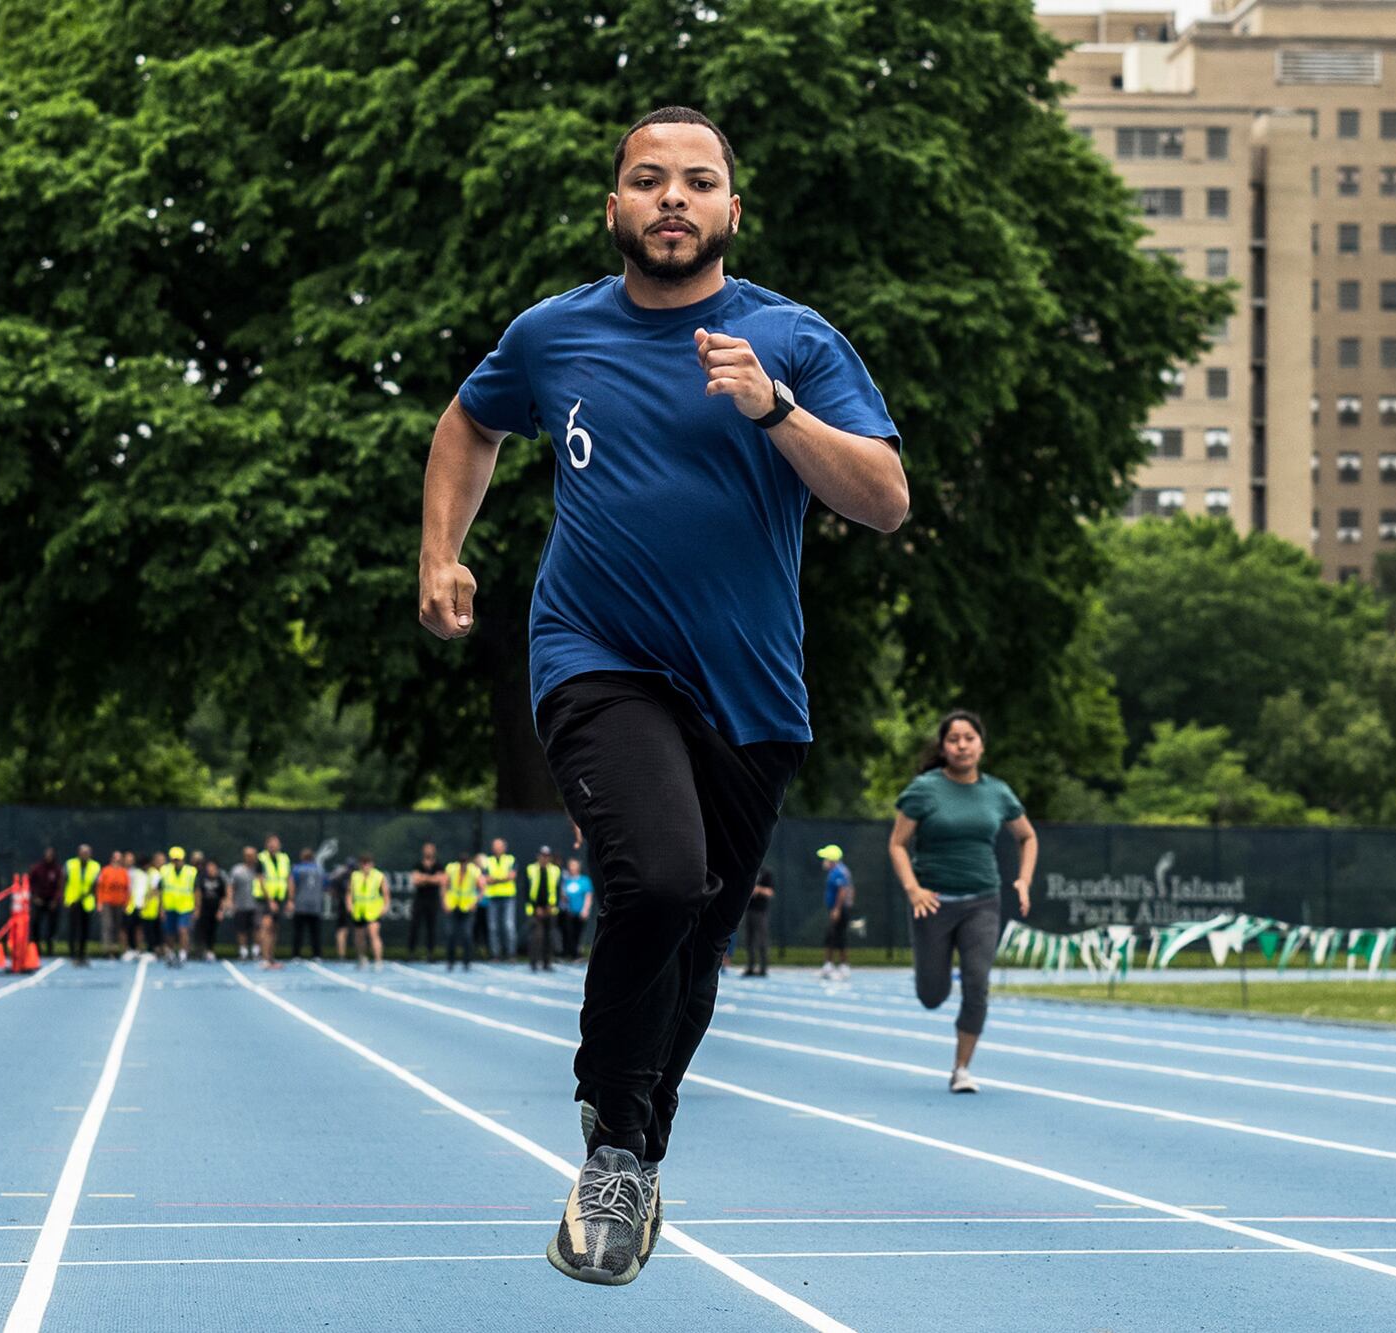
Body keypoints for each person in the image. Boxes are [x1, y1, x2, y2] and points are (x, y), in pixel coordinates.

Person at [420, 106, 903, 1286]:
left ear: (733, 211)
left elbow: (885, 498)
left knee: (695, 942)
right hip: (594, 654)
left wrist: (774, 412)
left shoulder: (790, 340)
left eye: (697, 182)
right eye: (649, 181)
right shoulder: (553, 334)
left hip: (750, 692)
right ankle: (614, 1140)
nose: (672, 199)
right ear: (615, 208)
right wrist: (440, 553)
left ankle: (632, 1149)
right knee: (660, 875)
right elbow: (469, 421)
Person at [889, 710, 1039, 1094]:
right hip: (933, 903)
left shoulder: (997, 792)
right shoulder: (924, 789)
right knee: (932, 994)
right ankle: (933, 975)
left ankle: (961, 1069)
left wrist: (1023, 880)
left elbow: (1027, 837)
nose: (961, 745)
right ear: (944, 747)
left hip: (982, 901)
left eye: (969, 737)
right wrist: (914, 889)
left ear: (981, 745)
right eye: (954, 739)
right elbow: (898, 845)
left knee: (977, 983)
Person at [442, 850, 482, 971]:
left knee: (467, 935)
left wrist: (475, 902)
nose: (463, 865)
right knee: (451, 934)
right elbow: (444, 884)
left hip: (467, 907)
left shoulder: (474, 871)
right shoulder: (451, 868)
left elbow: (482, 887)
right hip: (453, 906)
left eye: (465, 863)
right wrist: (444, 901)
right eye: (461, 863)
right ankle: (450, 961)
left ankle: (467, 962)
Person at [818, 845, 854, 980]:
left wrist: (837, 909)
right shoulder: (837, 871)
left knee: (839, 937)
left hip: (839, 909)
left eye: (826, 858)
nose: (824, 862)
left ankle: (844, 967)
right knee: (831, 936)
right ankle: (828, 965)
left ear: (832, 859)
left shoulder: (839, 872)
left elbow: (843, 890)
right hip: (837, 908)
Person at [481, 836, 519, 961]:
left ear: (504, 847)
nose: (496, 848)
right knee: (493, 927)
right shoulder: (488, 861)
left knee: (508, 925)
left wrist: (495, 879)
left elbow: (511, 876)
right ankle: (495, 954)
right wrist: (502, 878)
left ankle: (511, 954)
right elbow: (485, 878)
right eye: (494, 846)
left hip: (508, 897)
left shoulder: (510, 859)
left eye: (499, 846)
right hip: (492, 897)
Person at [525, 845, 562, 972]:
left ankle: (547, 963)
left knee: (549, 936)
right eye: (542, 856)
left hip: (550, 909)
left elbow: (557, 890)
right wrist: (536, 908)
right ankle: (534, 963)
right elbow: (526, 890)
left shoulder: (555, 870)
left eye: (547, 856)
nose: (544, 858)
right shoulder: (531, 869)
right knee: (536, 937)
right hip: (535, 909)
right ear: (538, 856)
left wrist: (552, 905)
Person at [257, 835, 290, 968]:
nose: (273, 845)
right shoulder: (262, 858)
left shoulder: (284, 858)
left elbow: (287, 878)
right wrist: (270, 900)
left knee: (274, 929)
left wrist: (290, 899)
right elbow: (260, 879)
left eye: (275, 843)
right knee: (266, 926)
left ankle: (271, 958)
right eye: (270, 843)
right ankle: (264, 958)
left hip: (279, 897)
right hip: (265, 898)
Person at [350, 852, 388, 970]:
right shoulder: (355, 876)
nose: (366, 866)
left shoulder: (379, 876)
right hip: (359, 910)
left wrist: (385, 906)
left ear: (372, 864)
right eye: (364, 863)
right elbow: (349, 892)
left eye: (368, 863)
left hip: (373, 910)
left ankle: (378, 961)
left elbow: (386, 893)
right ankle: (362, 958)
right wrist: (349, 904)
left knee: (374, 935)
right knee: (359, 937)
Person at [159, 846, 196, 967]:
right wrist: (161, 908)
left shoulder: (191, 872)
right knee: (169, 932)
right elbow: (161, 890)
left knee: (182, 930)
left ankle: (183, 953)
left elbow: (197, 891)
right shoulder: (165, 871)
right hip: (170, 907)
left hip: (185, 907)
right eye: (174, 859)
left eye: (178, 859)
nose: (176, 862)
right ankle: (170, 953)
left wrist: (197, 907)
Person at [64, 845, 100, 966]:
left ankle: (82, 953)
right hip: (73, 900)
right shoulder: (70, 864)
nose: (85, 855)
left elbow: (96, 884)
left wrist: (89, 895)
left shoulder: (95, 866)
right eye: (83, 852)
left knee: (85, 929)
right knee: (73, 928)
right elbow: (64, 881)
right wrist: (65, 898)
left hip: (87, 901)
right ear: (78, 853)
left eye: (87, 853)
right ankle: (73, 953)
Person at [409, 842, 446, 961]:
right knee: (415, 926)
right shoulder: (418, 865)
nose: (428, 852)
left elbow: (440, 880)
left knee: (431, 927)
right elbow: (415, 880)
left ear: (434, 851)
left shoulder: (439, 866)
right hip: (419, 899)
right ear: (423, 851)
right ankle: (411, 952)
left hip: (432, 900)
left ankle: (430, 953)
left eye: (431, 849)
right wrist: (432, 878)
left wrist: (424, 878)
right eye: (427, 849)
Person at [289, 847, 325, 960]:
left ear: (302, 857)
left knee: (298, 932)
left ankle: (296, 955)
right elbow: (325, 886)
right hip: (315, 905)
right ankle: (317, 955)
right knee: (315, 933)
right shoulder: (320, 870)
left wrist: (291, 900)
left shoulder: (297, 869)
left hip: (300, 904)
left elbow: (291, 884)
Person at [739, 866, 774, 977]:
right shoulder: (749, 869)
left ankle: (763, 967)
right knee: (749, 939)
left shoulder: (766, 873)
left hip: (760, 911)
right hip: (748, 909)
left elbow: (770, 892)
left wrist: (758, 889)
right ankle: (750, 966)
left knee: (761, 939)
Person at [28, 848, 63, 956]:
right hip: (39, 900)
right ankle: (36, 947)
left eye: (51, 855)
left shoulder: (57, 869)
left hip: (51, 901)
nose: (49, 857)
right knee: (35, 923)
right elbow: (30, 883)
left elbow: (60, 886)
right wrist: (34, 897)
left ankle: (50, 948)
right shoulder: (37, 868)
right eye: (47, 855)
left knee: (52, 925)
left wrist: (55, 900)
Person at [560, 856, 595, 962]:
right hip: (568, 911)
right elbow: (562, 895)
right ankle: (567, 953)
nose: (572, 868)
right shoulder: (566, 880)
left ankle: (576, 954)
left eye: (574, 866)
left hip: (580, 911)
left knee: (577, 933)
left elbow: (588, 896)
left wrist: (585, 909)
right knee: (567, 932)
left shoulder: (584, 880)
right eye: (571, 866)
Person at [228, 847, 260, 961]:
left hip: (257, 905)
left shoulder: (259, 869)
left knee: (257, 928)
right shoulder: (237, 870)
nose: (250, 857)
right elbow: (231, 886)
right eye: (248, 855)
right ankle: (243, 952)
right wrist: (230, 901)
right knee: (241, 929)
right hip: (241, 904)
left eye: (252, 855)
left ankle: (256, 951)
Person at [96, 852, 130, 957]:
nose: (117, 860)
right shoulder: (105, 870)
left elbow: (127, 889)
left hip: (119, 903)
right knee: (108, 925)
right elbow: (100, 887)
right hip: (107, 902)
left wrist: (126, 903)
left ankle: (115, 949)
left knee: (117, 926)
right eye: (115, 857)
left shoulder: (124, 872)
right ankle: (107, 949)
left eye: (119, 857)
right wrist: (99, 902)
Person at [197, 855, 228, 960]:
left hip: (215, 909)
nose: (210, 869)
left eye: (213, 867)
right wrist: (197, 909)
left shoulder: (220, 880)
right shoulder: (202, 878)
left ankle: (211, 951)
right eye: (209, 867)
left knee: (212, 931)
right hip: (204, 909)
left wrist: (221, 911)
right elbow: (198, 894)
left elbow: (224, 896)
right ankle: (203, 950)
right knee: (202, 930)